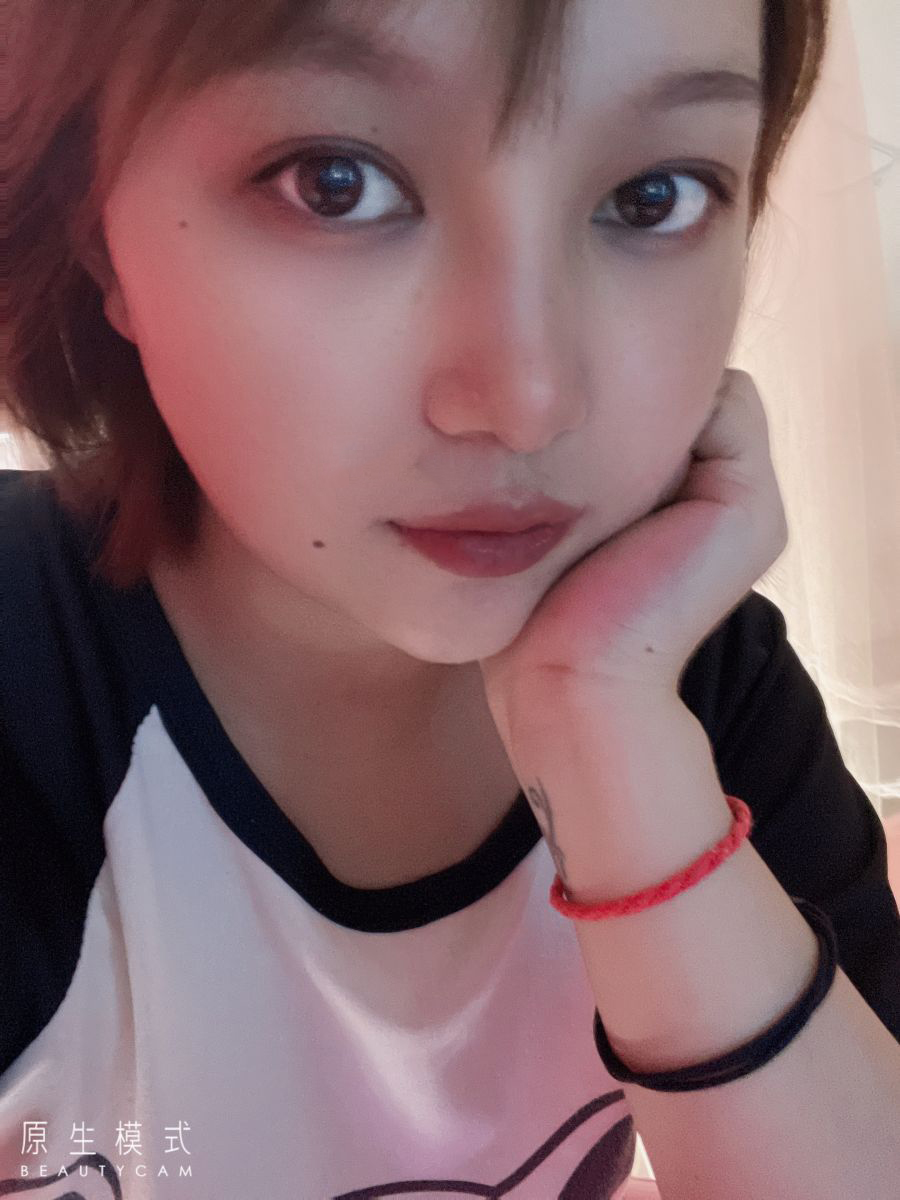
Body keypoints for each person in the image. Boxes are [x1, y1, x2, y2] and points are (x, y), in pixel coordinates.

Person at [2, 0, 898, 1196]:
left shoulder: (688, 675)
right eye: (334, 184)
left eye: (655, 196)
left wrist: (606, 738)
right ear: (96, 233)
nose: (528, 399)